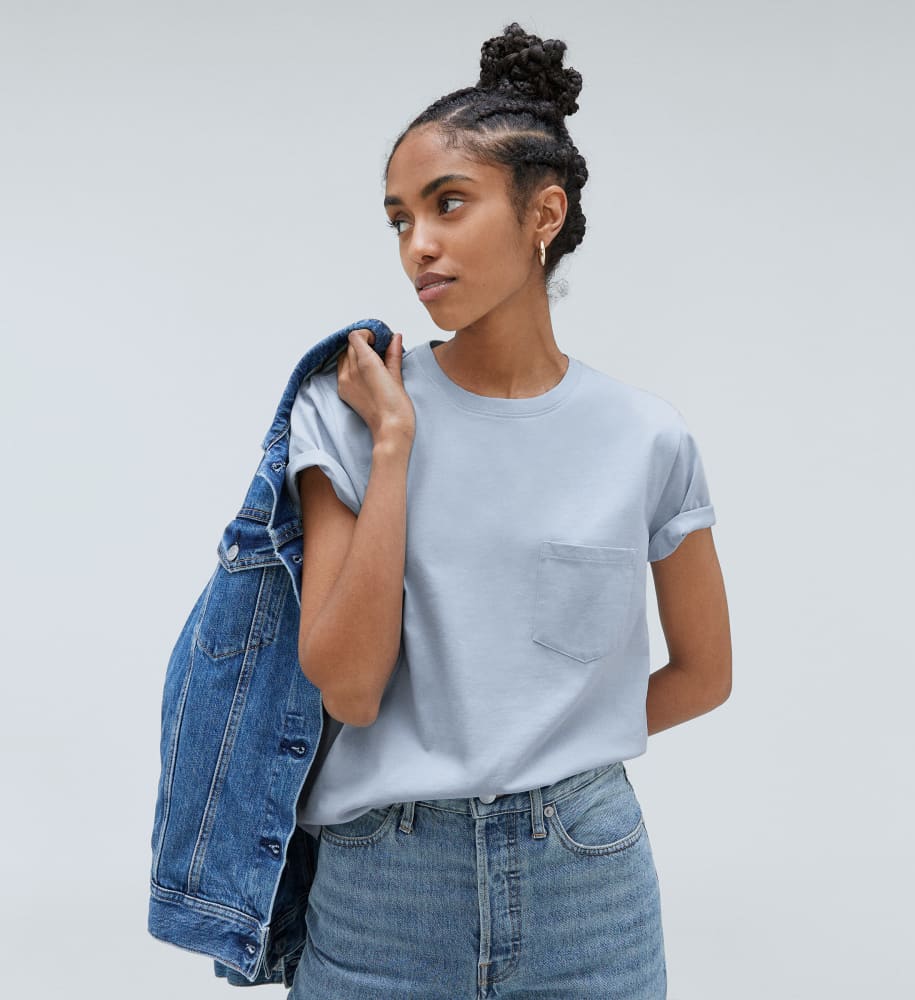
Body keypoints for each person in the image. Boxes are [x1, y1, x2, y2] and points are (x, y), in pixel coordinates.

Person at [284, 21, 731, 1000]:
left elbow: (705, 673)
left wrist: (555, 750)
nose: (419, 244)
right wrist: (393, 446)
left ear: (543, 213)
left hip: (586, 887)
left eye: (448, 204)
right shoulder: (347, 410)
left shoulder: (644, 437)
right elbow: (349, 690)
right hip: (382, 893)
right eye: (399, 219)